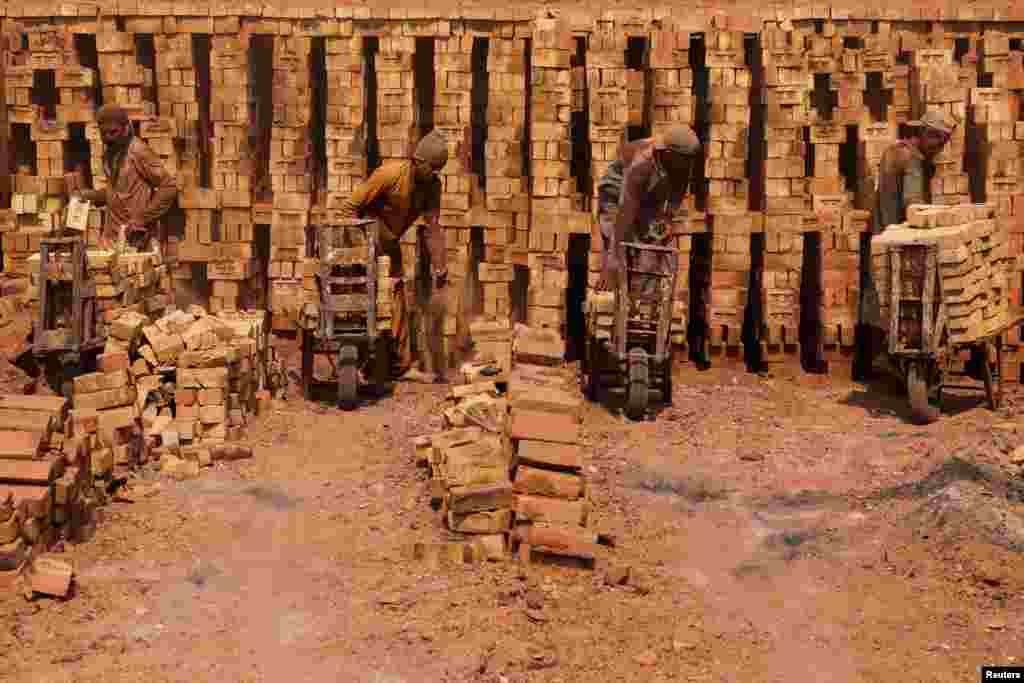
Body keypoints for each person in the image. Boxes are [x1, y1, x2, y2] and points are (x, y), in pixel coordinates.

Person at [338, 129, 450, 383]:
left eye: (438, 171)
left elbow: (432, 227)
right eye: (432, 168)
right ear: (419, 161)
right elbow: (349, 208)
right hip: (365, 236)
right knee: (366, 296)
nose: (434, 175)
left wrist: (440, 268)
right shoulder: (390, 174)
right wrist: (356, 251)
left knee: (397, 294)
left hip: (389, 243)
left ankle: (401, 366)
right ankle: (359, 360)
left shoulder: (432, 186)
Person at [856, 108, 959, 381]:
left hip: (881, 235)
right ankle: (892, 359)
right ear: (926, 134)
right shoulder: (913, 162)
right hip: (900, 241)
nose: (941, 148)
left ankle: (878, 360)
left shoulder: (893, 151)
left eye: (945, 142)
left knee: (880, 295)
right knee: (904, 298)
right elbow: (913, 205)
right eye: (940, 140)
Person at [595, 125, 708, 367]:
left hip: (649, 195)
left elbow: (673, 202)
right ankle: (612, 316)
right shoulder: (642, 162)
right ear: (668, 154)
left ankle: (643, 316)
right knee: (622, 246)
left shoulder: (681, 163)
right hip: (619, 192)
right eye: (684, 161)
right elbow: (625, 212)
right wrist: (614, 255)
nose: (688, 165)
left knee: (656, 250)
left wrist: (664, 225)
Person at [71, 104, 177, 251]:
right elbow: (119, 192)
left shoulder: (138, 150)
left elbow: (169, 186)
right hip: (112, 240)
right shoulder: (110, 154)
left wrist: (143, 218)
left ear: (126, 128)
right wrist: (91, 195)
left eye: (113, 132)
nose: (108, 137)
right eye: (104, 133)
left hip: (137, 240)